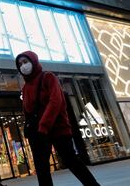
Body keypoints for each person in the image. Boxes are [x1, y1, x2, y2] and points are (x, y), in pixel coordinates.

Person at [15, 50, 100, 186]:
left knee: (72, 161)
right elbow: (28, 111)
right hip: (38, 134)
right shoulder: (25, 88)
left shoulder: (48, 77)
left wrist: (44, 125)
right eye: (20, 64)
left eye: (25, 62)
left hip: (57, 129)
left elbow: (56, 101)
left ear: (34, 61)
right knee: (42, 168)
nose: (23, 66)